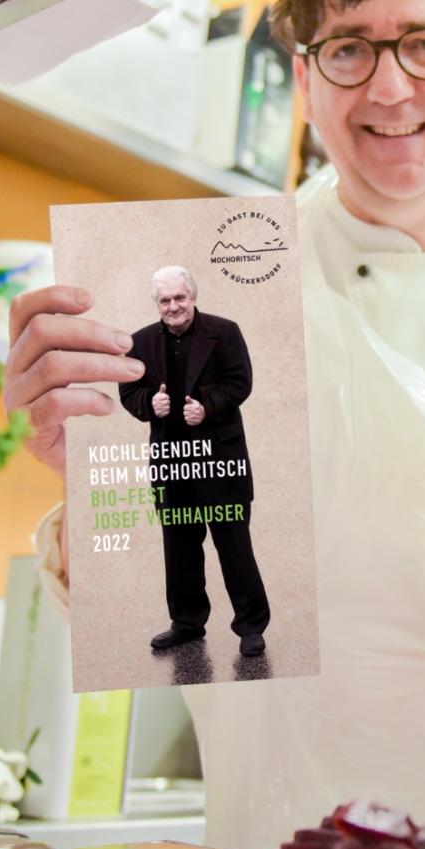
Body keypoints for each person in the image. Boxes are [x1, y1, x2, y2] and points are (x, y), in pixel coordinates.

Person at [3, 0, 425, 849]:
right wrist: (94, 481)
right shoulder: (219, 289)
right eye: (348, 52)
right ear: (304, 83)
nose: (388, 85)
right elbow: (175, 624)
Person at [120, 265, 269, 658]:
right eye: (165, 300)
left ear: (193, 297)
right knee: (180, 548)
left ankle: (251, 627)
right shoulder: (138, 343)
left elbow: (240, 382)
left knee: (234, 547)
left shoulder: (226, 331)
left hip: (220, 460)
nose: (173, 306)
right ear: (157, 304)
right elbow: (129, 391)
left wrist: (207, 407)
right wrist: (149, 404)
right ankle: (186, 623)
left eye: (179, 298)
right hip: (172, 462)